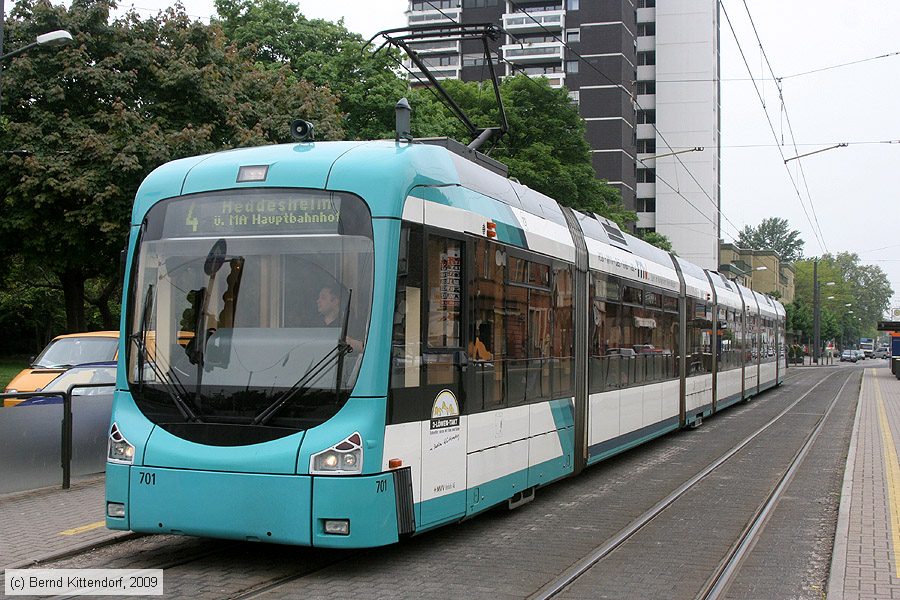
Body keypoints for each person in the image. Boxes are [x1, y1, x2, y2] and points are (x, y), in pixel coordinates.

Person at [317, 283, 364, 353]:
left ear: (335, 301)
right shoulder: (314, 324)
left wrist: (352, 343)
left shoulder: (351, 325)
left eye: (323, 298)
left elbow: (366, 348)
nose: (318, 301)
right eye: (319, 298)